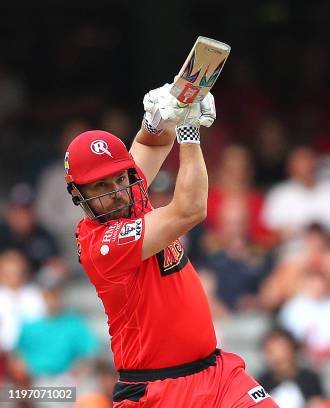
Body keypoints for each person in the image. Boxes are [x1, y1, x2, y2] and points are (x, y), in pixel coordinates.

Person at [64, 84, 278, 407]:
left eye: (120, 178)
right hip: (157, 392)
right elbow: (190, 210)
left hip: (216, 374)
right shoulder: (102, 245)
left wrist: (158, 119)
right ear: (79, 195)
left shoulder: (127, 193)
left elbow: (150, 145)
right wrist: (189, 132)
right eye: (102, 186)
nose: (118, 191)